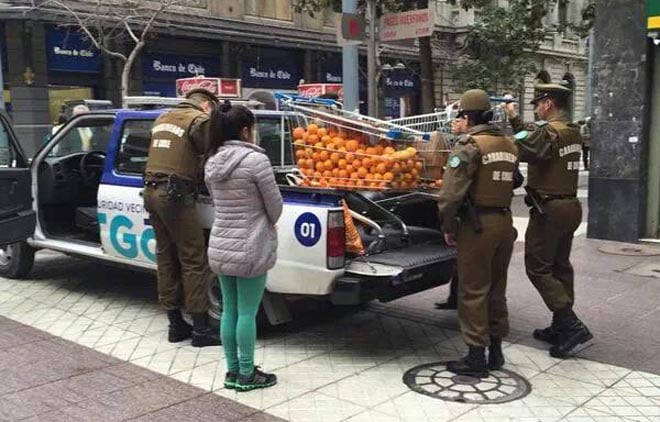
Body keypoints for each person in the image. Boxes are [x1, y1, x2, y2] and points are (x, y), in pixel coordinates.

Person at [503, 83, 592, 358]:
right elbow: (538, 141)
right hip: (570, 206)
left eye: (538, 104)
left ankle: (570, 324)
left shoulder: (550, 132)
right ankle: (559, 326)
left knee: (538, 268)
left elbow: (527, 148)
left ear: (549, 103)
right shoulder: (573, 131)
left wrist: (514, 119)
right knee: (560, 266)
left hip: (549, 210)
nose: (538, 108)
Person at [437, 89, 518, 378]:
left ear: (467, 117)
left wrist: (448, 225)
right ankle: (495, 351)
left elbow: (450, 193)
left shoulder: (469, 144)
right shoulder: (507, 145)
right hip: (504, 223)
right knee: (497, 288)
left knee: (473, 291)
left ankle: (475, 357)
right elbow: (516, 179)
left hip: (477, 226)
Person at [205, 101, 283, 391]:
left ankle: (232, 371)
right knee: (248, 312)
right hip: (251, 245)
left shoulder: (212, 161)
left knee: (231, 310)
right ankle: (248, 375)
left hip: (222, 244)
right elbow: (274, 207)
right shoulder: (256, 161)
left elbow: (217, 200)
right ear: (245, 130)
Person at [143, 88, 221, 348]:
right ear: (207, 105)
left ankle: (175, 325)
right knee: (193, 258)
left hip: (151, 191)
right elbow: (211, 153)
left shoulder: (162, 118)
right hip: (175, 195)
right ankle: (200, 330)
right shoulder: (199, 121)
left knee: (166, 257)